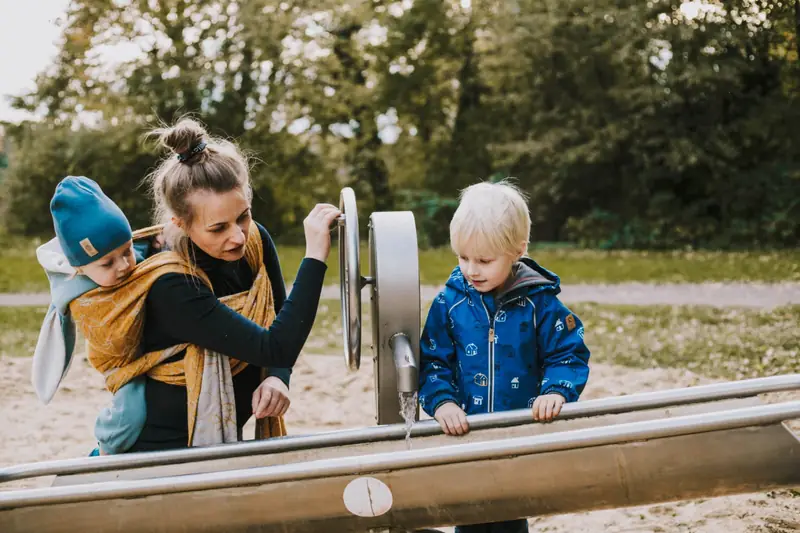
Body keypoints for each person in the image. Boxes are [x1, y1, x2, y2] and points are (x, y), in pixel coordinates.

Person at [105, 117, 339, 451]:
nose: (237, 236)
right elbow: (277, 346)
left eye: (243, 216)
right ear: (181, 224)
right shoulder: (172, 284)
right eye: (218, 228)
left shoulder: (255, 240)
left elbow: (278, 321)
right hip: (163, 451)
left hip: (224, 442)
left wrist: (277, 376)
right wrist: (315, 256)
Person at [418, 180, 591, 533]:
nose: (471, 270)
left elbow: (567, 351)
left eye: (484, 260)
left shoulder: (539, 304)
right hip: (465, 433)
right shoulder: (450, 304)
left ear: (518, 250)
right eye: (463, 257)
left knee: (510, 514)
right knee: (470, 515)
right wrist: (442, 402)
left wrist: (556, 390)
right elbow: (433, 361)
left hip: (518, 433)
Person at [32, 175, 157, 455]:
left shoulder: (116, 255)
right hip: (118, 358)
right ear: (81, 267)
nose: (124, 265)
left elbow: (138, 247)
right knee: (131, 413)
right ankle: (102, 450)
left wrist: (156, 245)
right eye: (108, 262)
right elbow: (57, 324)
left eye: (127, 252)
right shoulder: (74, 288)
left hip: (147, 346)